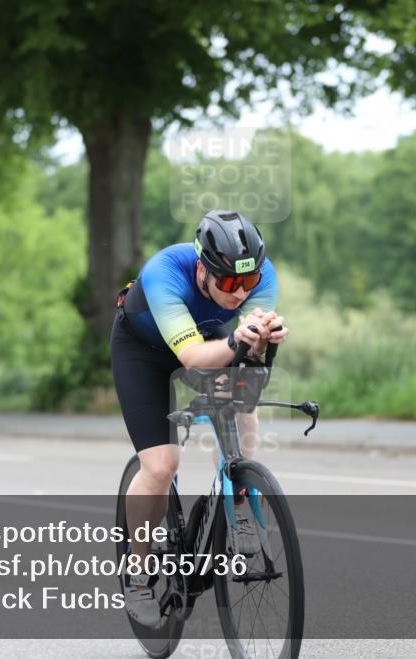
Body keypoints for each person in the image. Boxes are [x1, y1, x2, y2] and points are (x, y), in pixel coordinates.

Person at [110, 210, 288, 626]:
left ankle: (240, 503)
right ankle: (138, 570)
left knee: (242, 405)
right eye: (228, 283)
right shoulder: (164, 274)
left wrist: (263, 339)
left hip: (210, 341)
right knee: (161, 465)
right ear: (202, 269)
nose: (240, 293)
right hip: (144, 353)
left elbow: (247, 354)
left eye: (248, 282)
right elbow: (191, 357)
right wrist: (235, 340)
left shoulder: (260, 277)